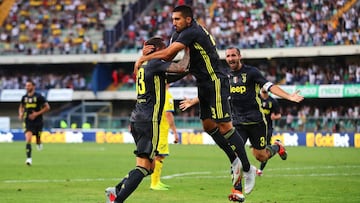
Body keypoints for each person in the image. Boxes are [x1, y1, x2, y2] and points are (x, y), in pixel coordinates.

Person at [134, 5, 256, 202]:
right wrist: (148, 60)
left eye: (177, 19)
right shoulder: (178, 35)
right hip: (203, 83)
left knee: (224, 125)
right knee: (208, 126)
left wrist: (143, 58)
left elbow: (166, 56)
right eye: (173, 19)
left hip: (215, 80)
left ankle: (248, 168)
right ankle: (235, 161)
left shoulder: (192, 31)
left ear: (188, 20)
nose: (174, 23)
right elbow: (171, 62)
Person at [179, 46, 304, 196]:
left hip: (256, 121)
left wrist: (289, 96)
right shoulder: (224, 75)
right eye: (228, 56)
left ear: (239, 56)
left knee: (261, 156)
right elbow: (214, 92)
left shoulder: (252, 72)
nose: (231, 59)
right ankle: (237, 190)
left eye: (233, 55)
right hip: (237, 122)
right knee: (235, 155)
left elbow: (269, 86)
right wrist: (193, 101)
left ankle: (276, 147)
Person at [107, 37, 190, 203]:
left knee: (149, 167)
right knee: (144, 167)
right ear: (155, 49)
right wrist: (187, 49)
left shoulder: (144, 67)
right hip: (149, 121)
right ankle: (117, 200)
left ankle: (116, 189)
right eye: (164, 49)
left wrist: (188, 65)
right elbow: (181, 67)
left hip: (137, 119)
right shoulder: (155, 63)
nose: (167, 53)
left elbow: (180, 72)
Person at [150, 83, 179, 190]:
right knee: (159, 156)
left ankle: (157, 181)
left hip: (154, 128)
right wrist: (175, 132)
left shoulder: (156, 94)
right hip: (161, 130)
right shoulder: (167, 95)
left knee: (158, 155)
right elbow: (168, 114)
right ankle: (154, 183)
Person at [18, 80, 50, 166]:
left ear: (33, 86)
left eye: (29, 86)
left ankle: (39, 142)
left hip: (38, 121)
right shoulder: (24, 97)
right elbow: (21, 106)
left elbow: (47, 107)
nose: (27, 87)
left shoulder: (39, 97)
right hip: (28, 121)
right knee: (28, 139)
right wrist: (21, 113)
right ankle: (29, 159)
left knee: (38, 138)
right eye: (26, 86)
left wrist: (36, 114)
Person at [256, 88, 282, 176]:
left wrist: (275, 117)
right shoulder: (256, 98)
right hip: (256, 127)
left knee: (265, 150)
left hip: (267, 128)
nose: (264, 88)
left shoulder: (273, 101)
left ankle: (260, 170)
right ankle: (277, 147)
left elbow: (279, 115)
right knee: (256, 150)